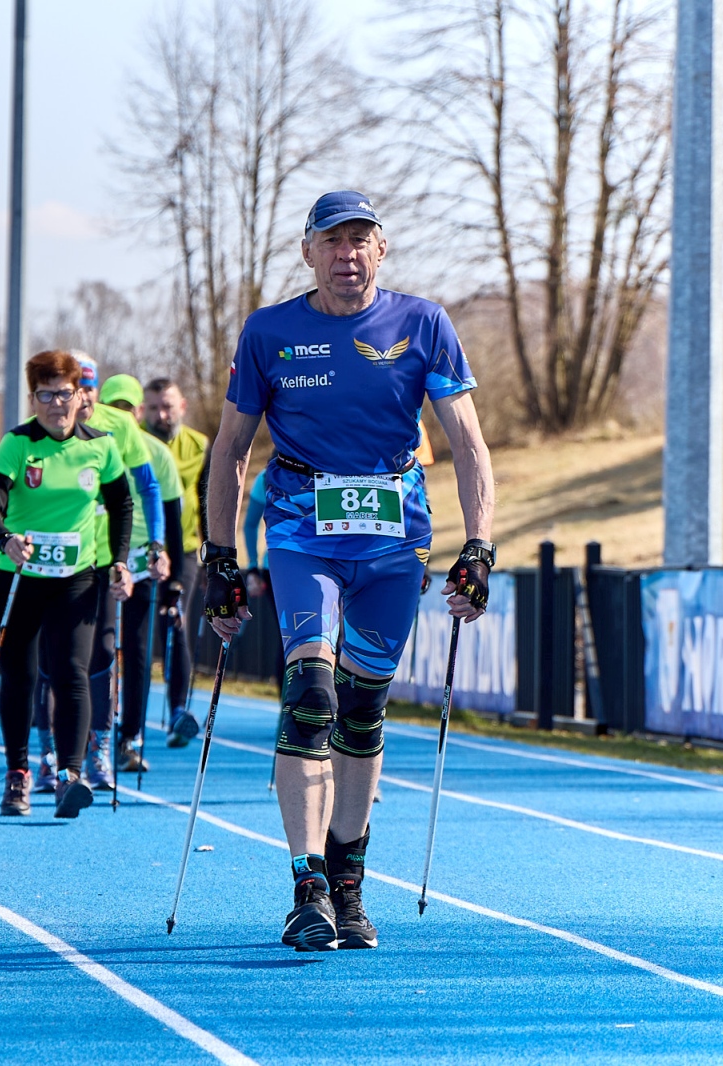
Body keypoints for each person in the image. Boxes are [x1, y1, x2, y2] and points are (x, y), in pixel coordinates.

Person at [204, 191, 496, 952]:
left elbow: (465, 440)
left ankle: (348, 882)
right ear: (308, 252)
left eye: (361, 240)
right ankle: (305, 885)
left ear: (382, 249)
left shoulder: (422, 324)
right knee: (311, 695)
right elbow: (232, 449)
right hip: (302, 528)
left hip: (394, 538)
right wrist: (221, 556)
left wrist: (480, 546)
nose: (348, 254)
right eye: (333, 241)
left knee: (362, 710)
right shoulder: (270, 332)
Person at [0, 350, 135, 818]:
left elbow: (122, 505)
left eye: (63, 394)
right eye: (45, 395)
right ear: (33, 399)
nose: (55, 404)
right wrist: (5, 540)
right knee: (21, 677)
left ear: (79, 396)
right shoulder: (17, 445)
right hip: (19, 576)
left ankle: (70, 775)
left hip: (75, 577)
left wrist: (118, 562)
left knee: (71, 673)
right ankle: (19, 774)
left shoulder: (100, 446)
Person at [53, 353, 167, 792]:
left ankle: (98, 749)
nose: (81, 397)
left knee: (103, 651)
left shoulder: (119, 428)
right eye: (73, 387)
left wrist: (154, 544)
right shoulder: (47, 426)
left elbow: (148, 487)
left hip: (106, 558)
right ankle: (50, 750)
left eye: (87, 388)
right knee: (57, 659)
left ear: (96, 391)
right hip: (57, 562)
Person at [97, 374, 184, 774]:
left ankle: (130, 737)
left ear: (136, 412)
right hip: (98, 559)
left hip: (142, 565)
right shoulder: (90, 447)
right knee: (97, 650)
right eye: (109, 409)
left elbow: (171, 519)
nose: (117, 417)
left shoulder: (156, 454)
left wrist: (170, 569)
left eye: (124, 410)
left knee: (137, 654)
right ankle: (93, 733)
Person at [143, 379, 210, 745]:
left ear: (182, 406)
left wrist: (213, 553)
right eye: (153, 407)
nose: (161, 415)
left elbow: (206, 499)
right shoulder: (132, 443)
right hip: (140, 548)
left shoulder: (199, 445)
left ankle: (178, 712)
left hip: (183, 549)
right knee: (136, 633)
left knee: (176, 622)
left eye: (167, 406)